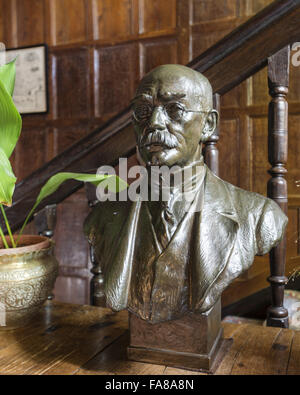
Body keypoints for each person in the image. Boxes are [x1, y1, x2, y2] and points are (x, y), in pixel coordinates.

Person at [84, 64, 288, 324]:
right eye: (143, 111)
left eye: (175, 110)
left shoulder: (259, 216)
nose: (155, 123)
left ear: (207, 124)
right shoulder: (104, 218)